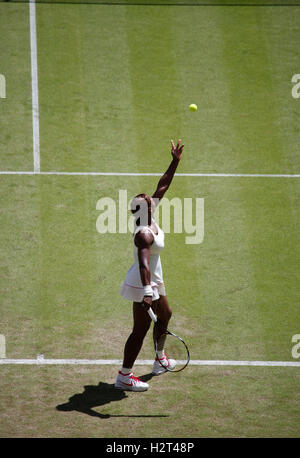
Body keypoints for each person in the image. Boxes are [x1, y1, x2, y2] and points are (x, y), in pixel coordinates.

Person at [114, 139, 184, 392]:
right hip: (143, 282)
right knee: (140, 329)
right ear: (143, 211)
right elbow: (143, 264)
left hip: (155, 279)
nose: (153, 201)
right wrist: (147, 291)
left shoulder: (149, 213)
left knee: (165, 315)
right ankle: (124, 376)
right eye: (148, 201)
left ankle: (159, 359)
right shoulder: (143, 234)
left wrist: (174, 162)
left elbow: (162, 185)